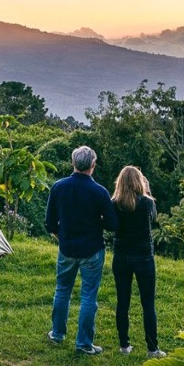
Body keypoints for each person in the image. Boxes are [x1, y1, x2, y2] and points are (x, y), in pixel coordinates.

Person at [45, 145, 118, 354]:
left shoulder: (59, 187)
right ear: (92, 165)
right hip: (92, 250)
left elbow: (50, 223)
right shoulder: (100, 192)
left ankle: (57, 334)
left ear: (73, 163)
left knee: (62, 291)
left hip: (67, 248)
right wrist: (97, 221)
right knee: (88, 297)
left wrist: (62, 236)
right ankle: (84, 343)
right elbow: (113, 224)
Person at [112, 166, 166, 358]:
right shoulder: (147, 203)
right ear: (139, 181)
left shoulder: (115, 203)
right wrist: (148, 191)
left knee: (122, 302)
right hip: (143, 256)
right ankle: (152, 348)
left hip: (121, 255)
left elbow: (111, 226)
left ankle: (124, 345)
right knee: (148, 303)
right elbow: (154, 218)